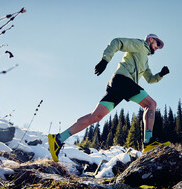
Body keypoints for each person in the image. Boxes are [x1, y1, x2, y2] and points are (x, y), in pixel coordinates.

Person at [48, 34, 170, 162]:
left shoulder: (145, 59)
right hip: (123, 80)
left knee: (95, 116)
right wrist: (105, 60)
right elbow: (117, 42)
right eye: (157, 44)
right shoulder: (139, 45)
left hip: (118, 84)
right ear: (150, 40)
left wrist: (160, 74)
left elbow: (150, 79)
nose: (158, 48)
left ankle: (58, 139)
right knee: (151, 104)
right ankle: (148, 142)